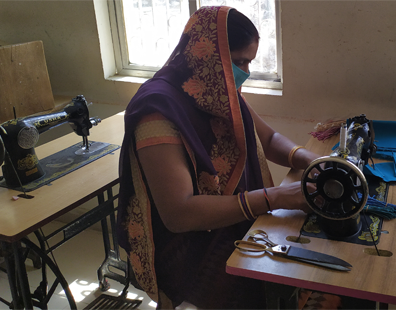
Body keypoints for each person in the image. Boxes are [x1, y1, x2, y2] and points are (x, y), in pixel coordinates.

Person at [116, 6, 323, 309]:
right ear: (208, 55)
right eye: (239, 62)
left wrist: (309, 159)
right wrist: (275, 197)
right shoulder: (156, 111)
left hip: (227, 217)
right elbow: (179, 213)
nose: (246, 72)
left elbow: (267, 138)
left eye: (249, 62)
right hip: (189, 243)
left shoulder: (215, 89)